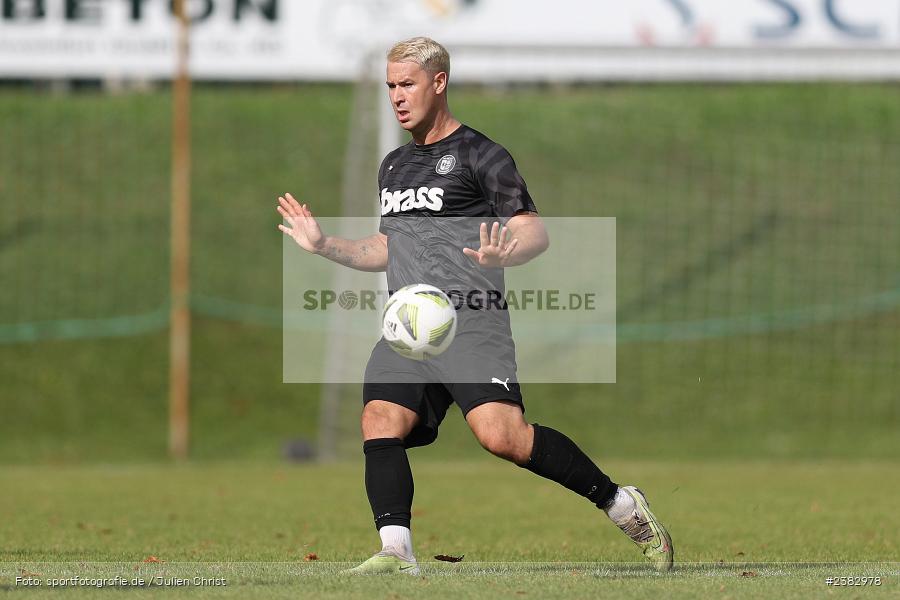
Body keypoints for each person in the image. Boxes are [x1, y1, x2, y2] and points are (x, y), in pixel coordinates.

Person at [277, 37, 673, 574]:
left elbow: (534, 232)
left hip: (473, 322)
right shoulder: (393, 166)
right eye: (390, 85)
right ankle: (397, 552)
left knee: (503, 438)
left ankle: (620, 503)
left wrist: (504, 251)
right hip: (411, 326)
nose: (396, 95)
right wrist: (325, 245)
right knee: (380, 420)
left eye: (407, 84)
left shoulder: (482, 155)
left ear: (438, 83)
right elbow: (385, 249)